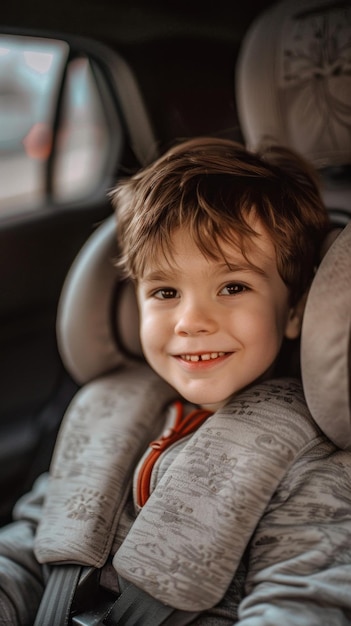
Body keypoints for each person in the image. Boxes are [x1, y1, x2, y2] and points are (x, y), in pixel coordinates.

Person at [0, 137, 351, 625]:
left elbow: (301, 605)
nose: (191, 320)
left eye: (233, 286)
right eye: (165, 291)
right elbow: (30, 547)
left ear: (294, 310)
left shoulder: (311, 465)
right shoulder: (109, 413)